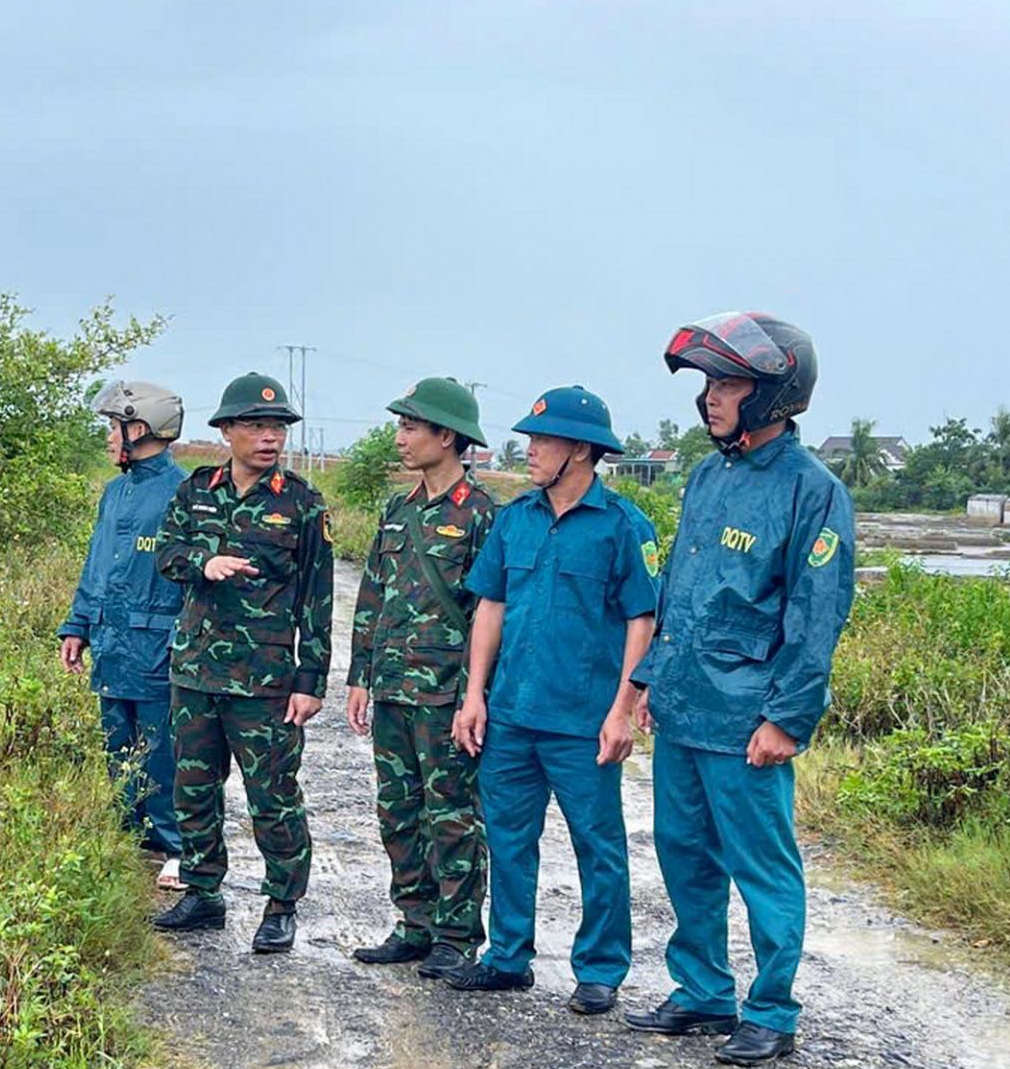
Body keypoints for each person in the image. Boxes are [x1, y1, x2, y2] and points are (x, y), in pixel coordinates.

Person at [624, 312, 856, 1066]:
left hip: (749, 713)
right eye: (709, 383)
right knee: (684, 854)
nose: (712, 398)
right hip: (687, 704)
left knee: (761, 864)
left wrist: (788, 717)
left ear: (773, 395)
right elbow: (680, 591)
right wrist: (652, 681)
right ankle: (701, 991)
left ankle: (772, 1008)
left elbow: (816, 615)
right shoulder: (706, 474)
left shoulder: (811, 491)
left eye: (727, 383)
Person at [449, 387, 658, 1008]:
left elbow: (641, 622)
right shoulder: (516, 519)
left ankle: (600, 969)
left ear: (581, 450)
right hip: (511, 714)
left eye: (543, 440)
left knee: (598, 847)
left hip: (583, 723)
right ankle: (508, 956)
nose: (530, 449)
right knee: (509, 840)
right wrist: (474, 696)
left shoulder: (623, 527)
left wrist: (622, 709)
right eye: (532, 438)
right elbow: (491, 607)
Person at [151, 372, 334, 953]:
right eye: (255, 425)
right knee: (193, 787)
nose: (268, 437)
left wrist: (311, 680)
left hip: (266, 681)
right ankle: (204, 891)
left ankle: (282, 903)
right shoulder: (196, 491)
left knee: (272, 793)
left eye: (277, 426)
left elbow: (318, 598)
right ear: (226, 430)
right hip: (196, 670)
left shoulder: (302, 504)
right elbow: (167, 554)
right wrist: (204, 562)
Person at [346, 378, 497, 982]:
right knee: (397, 810)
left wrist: (476, 694)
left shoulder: (483, 514)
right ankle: (414, 924)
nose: (401, 437)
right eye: (401, 425)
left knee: (453, 815)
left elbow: (492, 611)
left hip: (446, 694)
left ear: (447, 436)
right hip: (392, 688)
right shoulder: (398, 509)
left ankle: (457, 935)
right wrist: (360, 675)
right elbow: (372, 595)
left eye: (412, 427)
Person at [60, 381, 189, 887]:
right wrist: (77, 626)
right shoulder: (114, 493)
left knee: (163, 748)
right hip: (112, 643)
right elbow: (97, 567)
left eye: (114, 428)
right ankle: (132, 838)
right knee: (119, 745)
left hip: (159, 644)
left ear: (139, 428)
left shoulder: (182, 492)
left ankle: (179, 845)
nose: (110, 439)